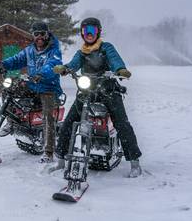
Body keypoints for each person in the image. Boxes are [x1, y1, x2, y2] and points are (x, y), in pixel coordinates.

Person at [53, 17, 143, 177]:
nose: (88, 34)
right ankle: (60, 160)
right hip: (87, 92)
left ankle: (135, 163)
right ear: (81, 33)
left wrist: (120, 69)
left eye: (92, 30)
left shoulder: (106, 47)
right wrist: (65, 68)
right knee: (68, 123)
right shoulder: (82, 52)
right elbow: (74, 64)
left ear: (98, 32)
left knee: (122, 124)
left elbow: (115, 59)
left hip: (107, 91)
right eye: (85, 30)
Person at [0, 21, 63, 163]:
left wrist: (41, 74)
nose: (39, 37)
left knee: (47, 117)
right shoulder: (30, 50)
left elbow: (53, 65)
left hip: (48, 87)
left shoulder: (54, 50)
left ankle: (48, 151)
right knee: (8, 89)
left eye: (42, 34)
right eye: (36, 34)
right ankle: (11, 121)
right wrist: (3, 64)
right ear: (33, 35)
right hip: (32, 85)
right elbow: (17, 59)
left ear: (47, 34)